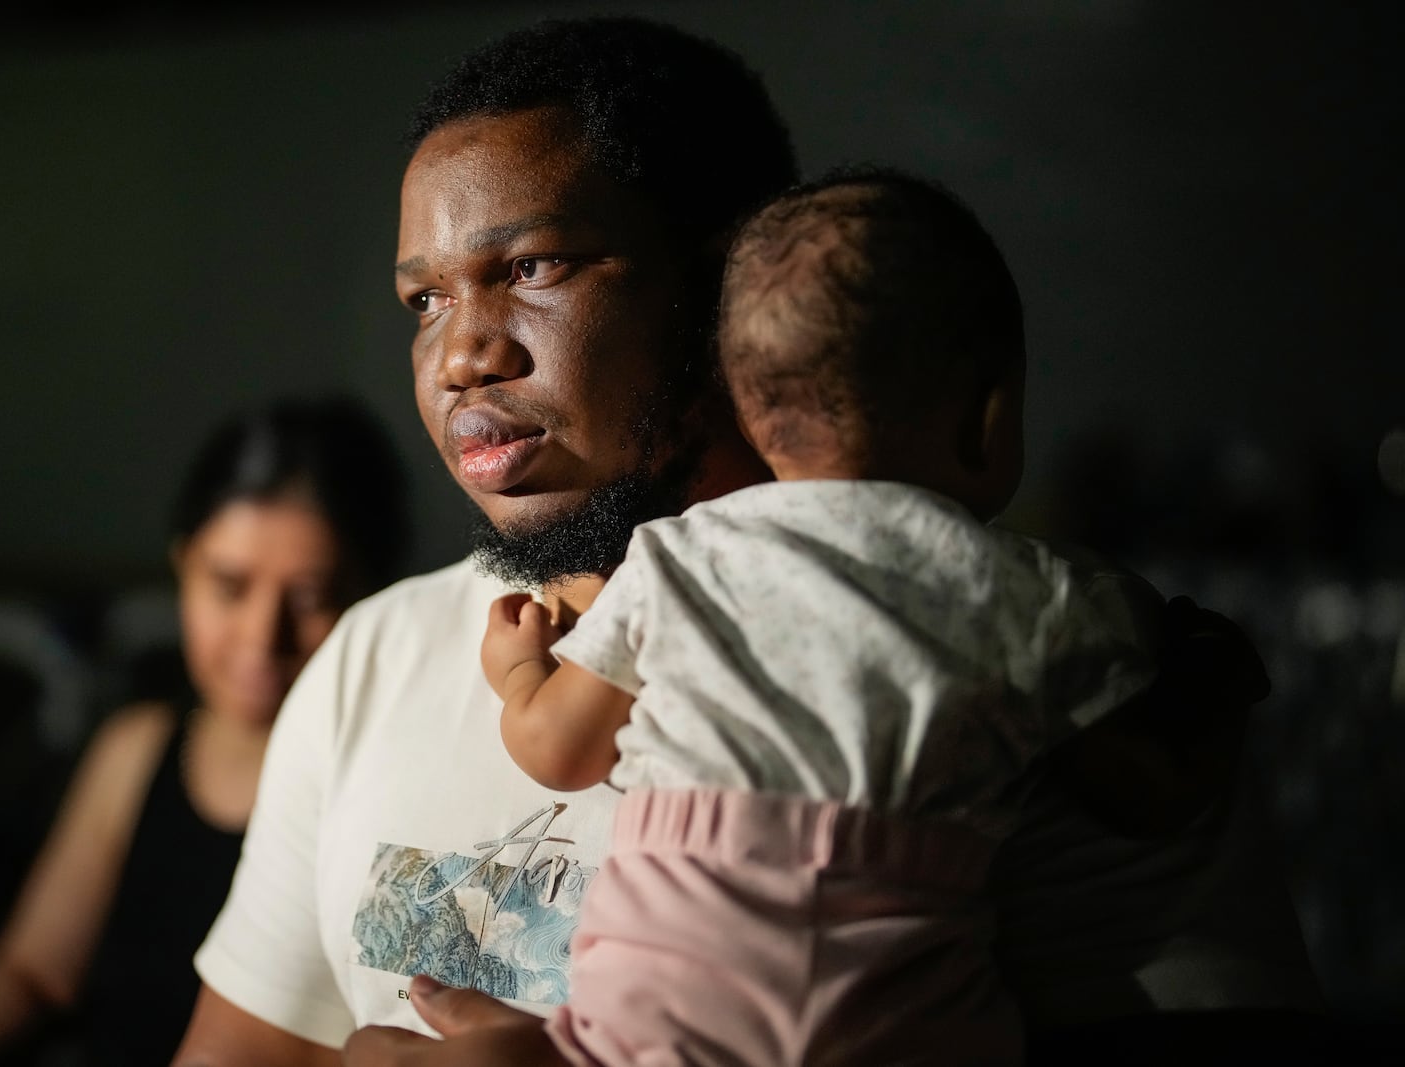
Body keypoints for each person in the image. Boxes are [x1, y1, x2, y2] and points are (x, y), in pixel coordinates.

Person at [173, 16, 1321, 1067]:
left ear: (724, 279)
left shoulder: (1008, 643)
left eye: (533, 267)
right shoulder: (371, 658)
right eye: (424, 299)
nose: (463, 352)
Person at [478, 167, 1164, 1066]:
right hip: (899, 990)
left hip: (670, 979)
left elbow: (558, 751)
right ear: (990, 415)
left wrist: (522, 670)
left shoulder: (683, 557)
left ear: (749, 413)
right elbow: (1146, 793)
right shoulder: (1041, 595)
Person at [0, 395, 409, 1067]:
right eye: (228, 585)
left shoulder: (387, 784)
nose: (260, 636)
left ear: (377, 601)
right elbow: (36, 969)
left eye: (308, 597)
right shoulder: (137, 750)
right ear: (183, 566)